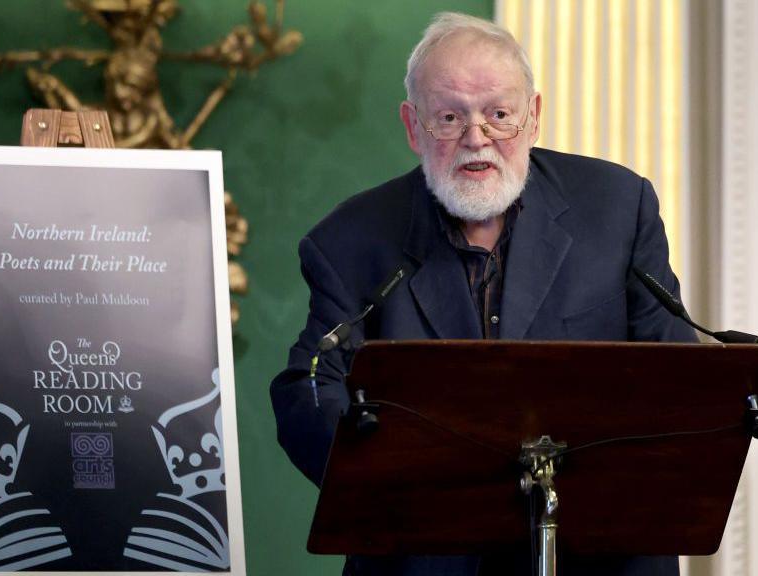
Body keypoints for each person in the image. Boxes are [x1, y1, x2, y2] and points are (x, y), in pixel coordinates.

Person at [270, 12, 695, 576]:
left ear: (534, 116)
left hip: (599, 555)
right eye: (449, 117)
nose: (478, 138)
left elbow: (677, 369)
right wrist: (389, 484)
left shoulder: (618, 207)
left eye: (499, 114)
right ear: (413, 128)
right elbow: (310, 388)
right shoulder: (350, 241)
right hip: (425, 557)